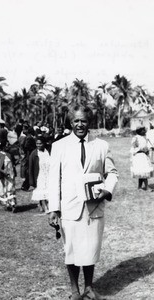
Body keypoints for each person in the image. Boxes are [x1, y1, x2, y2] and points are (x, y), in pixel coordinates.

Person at [48, 104, 118, 300]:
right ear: (71, 122)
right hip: (69, 207)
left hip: (93, 207)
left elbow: (111, 172)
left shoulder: (101, 145)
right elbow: (53, 179)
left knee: (90, 248)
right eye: (76, 121)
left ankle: (88, 287)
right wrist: (54, 208)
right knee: (70, 250)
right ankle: (74, 291)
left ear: (89, 122)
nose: (80, 125)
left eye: (83, 121)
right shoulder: (59, 146)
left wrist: (106, 190)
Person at [29, 135, 50, 213]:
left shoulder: (48, 152)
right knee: (41, 191)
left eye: (40, 143)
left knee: (48, 191)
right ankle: (44, 206)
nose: (38, 145)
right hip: (39, 175)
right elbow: (30, 168)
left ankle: (49, 206)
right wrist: (31, 181)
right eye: (37, 144)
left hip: (48, 174)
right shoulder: (34, 154)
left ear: (44, 143)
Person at [0, 142, 17, 211]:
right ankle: (7, 204)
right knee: (3, 190)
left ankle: (12, 204)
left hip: (10, 174)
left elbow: (13, 164)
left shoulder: (9, 154)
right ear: (3, 147)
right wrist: (3, 172)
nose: (8, 147)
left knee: (10, 188)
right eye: (6, 146)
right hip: (2, 175)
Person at [130, 126, 153, 190]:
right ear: (140, 131)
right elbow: (133, 147)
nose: (145, 132)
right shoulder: (136, 138)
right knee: (142, 172)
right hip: (139, 156)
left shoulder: (144, 138)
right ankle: (145, 187)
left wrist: (147, 151)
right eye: (143, 130)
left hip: (144, 155)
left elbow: (146, 147)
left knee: (143, 171)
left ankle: (141, 187)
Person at [20, 125, 36, 191]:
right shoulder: (29, 138)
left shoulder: (27, 137)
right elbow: (26, 146)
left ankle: (26, 185)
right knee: (30, 171)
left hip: (28, 155)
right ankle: (25, 185)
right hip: (30, 155)